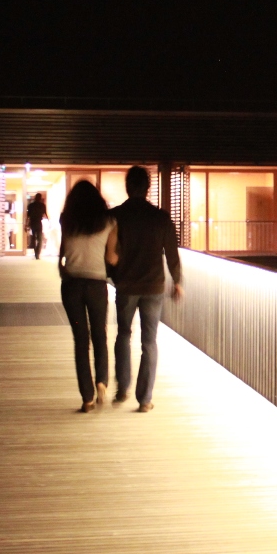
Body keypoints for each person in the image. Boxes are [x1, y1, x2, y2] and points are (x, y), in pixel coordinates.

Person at [110, 166, 182, 413]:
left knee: (123, 334)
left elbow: (108, 250)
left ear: (128, 187)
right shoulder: (160, 217)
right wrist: (177, 281)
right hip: (153, 285)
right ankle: (145, 399)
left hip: (126, 284)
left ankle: (123, 387)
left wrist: (113, 275)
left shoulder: (117, 216)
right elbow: (172, 253)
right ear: (148, 187)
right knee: (149, 341)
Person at [58, 180, 119, 413]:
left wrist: (63, 268)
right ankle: (101, 381)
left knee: (80, 340)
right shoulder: (109, 222)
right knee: (99, 334)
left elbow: (62, 253)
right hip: (96, 285)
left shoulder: (66, 220)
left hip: (72, 285)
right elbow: (111, 257)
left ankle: (87, 398)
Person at [26, 192, 47, 259]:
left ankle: (36, 253)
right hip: (38, 222)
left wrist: (26, 224)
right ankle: (37, 253)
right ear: (40, 198)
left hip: (33, 222)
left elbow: (28, 216)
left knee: (34, 238)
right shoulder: (42, 205)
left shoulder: (31, 205)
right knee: (40, 239)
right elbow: (45, 214)